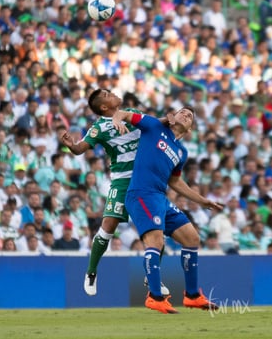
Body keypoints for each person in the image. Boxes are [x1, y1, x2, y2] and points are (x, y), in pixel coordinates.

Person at [112, 106, 221, 313]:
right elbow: (124, 114)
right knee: (156, 240)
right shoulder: (154, 126)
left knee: (192, 238)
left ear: (189, 129)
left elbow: (176, 182)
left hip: (160, 198)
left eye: (190, 116)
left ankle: (192, 295)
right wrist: (117, 120)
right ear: (173, 117)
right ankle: (155, 297)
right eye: (182, 112)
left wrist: (202, 201)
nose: (186, 115)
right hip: (141, 193)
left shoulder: (181, 152)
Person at [61, 89, 169, 297]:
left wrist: (170, 119)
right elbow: (80, 148)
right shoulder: (99, 128)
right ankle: (91, 272)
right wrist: (71, 146)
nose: (113, 94)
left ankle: (152, 277)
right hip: (121, 182)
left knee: (157, 230)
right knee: (108, 225)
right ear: (104, 107)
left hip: (145, 180)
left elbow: (154, 124)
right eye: (108, 94)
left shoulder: (130, 113)